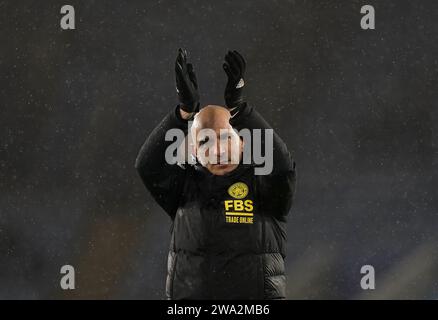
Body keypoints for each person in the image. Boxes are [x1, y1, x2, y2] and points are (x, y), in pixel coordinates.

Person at [135, 48, 297, 299]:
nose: (217, 150)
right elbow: (147, 166)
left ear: (243, 141)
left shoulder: (264, 184)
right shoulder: (184, 187)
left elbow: (283, 164)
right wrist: (183, 113)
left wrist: (241, 109)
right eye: (204, 142)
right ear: (193, 150)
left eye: (224, 138)